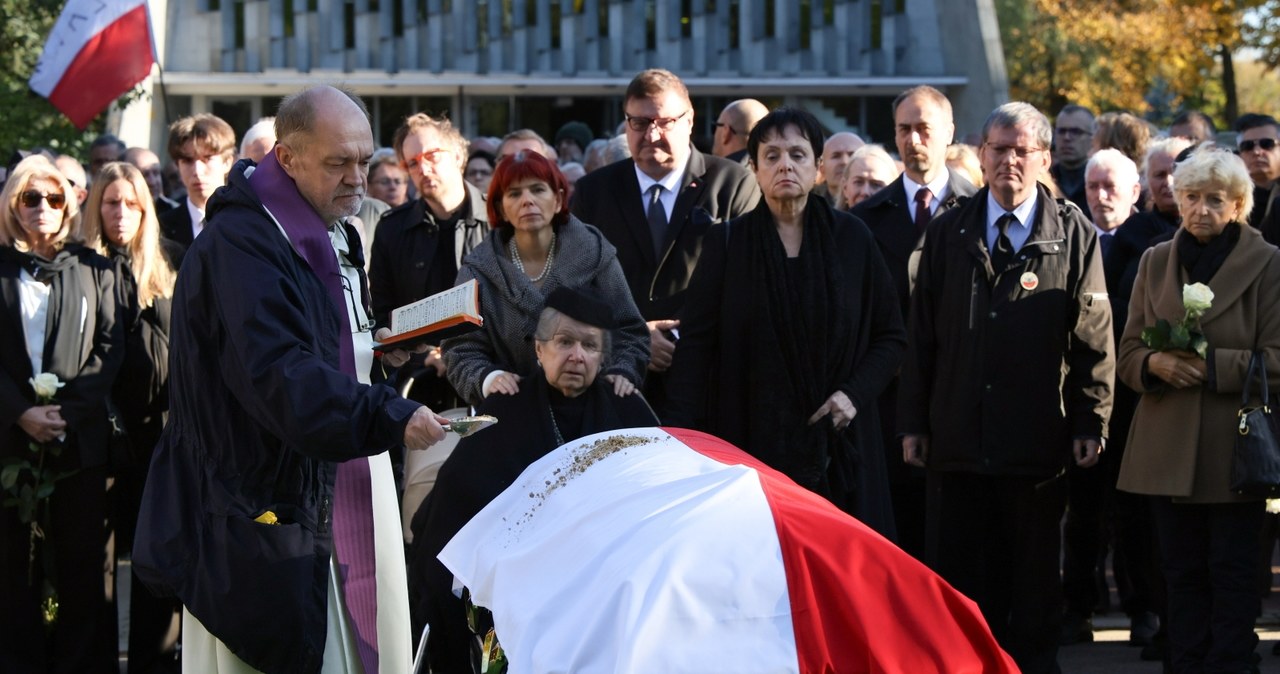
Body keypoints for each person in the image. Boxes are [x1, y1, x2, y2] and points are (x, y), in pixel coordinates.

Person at [132, 85, 450, 674]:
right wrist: (389, 414)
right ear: (287, 158)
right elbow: (277, 372)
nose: (359, 177)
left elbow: (329, 344)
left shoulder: (334, 225)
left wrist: (378, 356)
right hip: (264, 493)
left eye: (364, 159)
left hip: (343, 465)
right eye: (339, 163)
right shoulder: (242, 242)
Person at [898, 101, 1114, 674]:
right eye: (999, 149)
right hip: (958, 441)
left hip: (1036, 444)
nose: (1009, 161)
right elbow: (921, 338)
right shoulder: (948, 231)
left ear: (1043, 158)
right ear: (981, 154)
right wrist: (914, 422)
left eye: (1022, 150)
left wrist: (1092, 421)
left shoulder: (1072, 234)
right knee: (964, 585)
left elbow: (1093, 337)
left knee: (1036, 585)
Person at [663, 107, 905, 536]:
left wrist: (853, 395)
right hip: (747, 442)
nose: (785, 165)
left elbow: (890, 338)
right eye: (771, 155)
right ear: (753, 168)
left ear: (816, 169)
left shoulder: (853, 239)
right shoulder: (727, 243)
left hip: (840, 442)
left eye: (797, 154)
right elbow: (696, 349)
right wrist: (683, 441)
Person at [413, 286, 659, 672]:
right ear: (540, 350)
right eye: (564, 342)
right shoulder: (506, 407)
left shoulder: (626, 409)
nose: (577, 355)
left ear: (602, 358)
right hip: (519, 588)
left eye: (590, 346)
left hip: (605, 589)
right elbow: (456, 504)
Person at [1116, 147, 1280, 674]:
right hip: (1166, 447)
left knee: (1233, 572)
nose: (1201, 209)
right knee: (1178, 572)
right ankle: (1184, 665)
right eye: (1191, 197)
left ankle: (1232, 665)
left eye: (1215, 200)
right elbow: (1128, 354)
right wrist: (1156, 363)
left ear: (1238, 206)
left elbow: (1276, 360)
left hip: (1233, 448)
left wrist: (1211, 367)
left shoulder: (1269, 262)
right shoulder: (1154, 260)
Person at [570, 68, 760, 409]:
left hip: (709, 384)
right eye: (638, 123)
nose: (651, 134)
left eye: (664, 122)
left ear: (689, 121)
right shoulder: (593, 193)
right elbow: (577, 290)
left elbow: (744, 285)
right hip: (618, 388)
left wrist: (676, 337)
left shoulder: (734, 184)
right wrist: (634, 336)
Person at [0, 155, 123, 672]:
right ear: (13, 205)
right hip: (9, 440)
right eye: (31, 198)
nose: (43, 208)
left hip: (80, 444)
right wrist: (20, 412)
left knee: (81, 570)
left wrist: (67, 412)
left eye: (54, 198)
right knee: (13, 570)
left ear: (70, 204)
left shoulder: (95, 269)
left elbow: (110, 348)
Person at [851, 85, 977, 558]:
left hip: (960, 397)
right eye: (904, 129)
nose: (913, 139)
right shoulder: (864, 220)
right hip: (888, 400)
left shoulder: (980, 212)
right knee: (895, 533)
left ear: (948, 134)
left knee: (958, 538)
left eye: (924, 128)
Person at [80, 160, 184, 673]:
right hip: (96, 440)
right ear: (95, 207)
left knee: (156, 567)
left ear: (148, 209)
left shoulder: (173, 267)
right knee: (96, 569)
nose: (121, 213)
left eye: (132, 203)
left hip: (160, 440)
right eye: (111, 202)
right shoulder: (79, 268)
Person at [443, 150, 649, 405]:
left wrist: (622, 372)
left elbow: (630, 331)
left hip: (593, 408)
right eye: (514, 193)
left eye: (538, 189)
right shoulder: (477, 270)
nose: (527, 200)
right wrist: (488, 378)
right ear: (500, 208)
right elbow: (459, 349)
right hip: (514, 410)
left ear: (559, 199)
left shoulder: (595, 252)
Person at [1060, 148, 1159, 646]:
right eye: (1092, 186)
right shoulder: (1070, 238)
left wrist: (1096, 308)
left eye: (1111, 186)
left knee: (1135, 512)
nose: (1099, 196)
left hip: (1136, 400)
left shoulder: (1155, 244)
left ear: (1135, 192)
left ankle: (1143, 609)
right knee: (1082, 513)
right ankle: (1077, 607)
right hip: (1078, 395)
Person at [369, 112, 488, 410]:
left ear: (459, 155)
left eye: (432, 155)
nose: (423, 168)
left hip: (492, 381)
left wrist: (458, 357)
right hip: (419, 389)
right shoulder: (392, 228)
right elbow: (383, 313)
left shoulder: (498, 219)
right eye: (412, 162)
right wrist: (410, 350)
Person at [159, 113, 237, 251]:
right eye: (188, 160)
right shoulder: (161, 227)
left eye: (207, 158)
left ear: (227, 162)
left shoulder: (248, 220)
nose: (197, 170)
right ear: (178, 165)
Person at [1051, 104, 1095, 217]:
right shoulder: (1042, 181)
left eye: (1076, 132)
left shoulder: (1100, 184)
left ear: (1092, 139)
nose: (1067, 137)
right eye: (1061, 131)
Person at [835, 143, 899, 211]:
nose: (865, 192)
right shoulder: (829, 221)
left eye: (876, 185)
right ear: (845, 187)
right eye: (858, 182)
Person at [711, 98, 770, 165]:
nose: (714, 134)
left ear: (726, 132)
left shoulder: (724, 173)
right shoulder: (774, 170)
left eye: (714, 127)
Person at [125, 147, 181, 214]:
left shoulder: (176, 213)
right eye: (144, 175)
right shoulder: (120, 213)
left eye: (156, 173)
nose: (152, 182)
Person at [813, 131, 864, 202]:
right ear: (822, 169)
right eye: (836, 156)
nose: (844, 162)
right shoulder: (808, 209)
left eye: (852, 155)